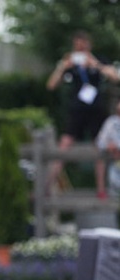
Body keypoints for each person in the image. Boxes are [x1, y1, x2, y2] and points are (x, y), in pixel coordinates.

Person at [46, 30, 120, 199]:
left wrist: (95, 65)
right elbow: (51, 85)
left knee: (98, 148)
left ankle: (101, 189)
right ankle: (47, 185)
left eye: (83, 44)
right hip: (77, 111)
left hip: (96, 110)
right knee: (64, 145)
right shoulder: (70, 65)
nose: (80, 48)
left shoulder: (98, 60)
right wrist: (63, 67)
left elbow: (115, 77)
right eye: (77, 45)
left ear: (89, 44)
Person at [96, 99, 120, 196]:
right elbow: (100, 142)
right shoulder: (111, 122)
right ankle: (101, 190)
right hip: (113, 162)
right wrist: (109, 146)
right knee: (100, 159)